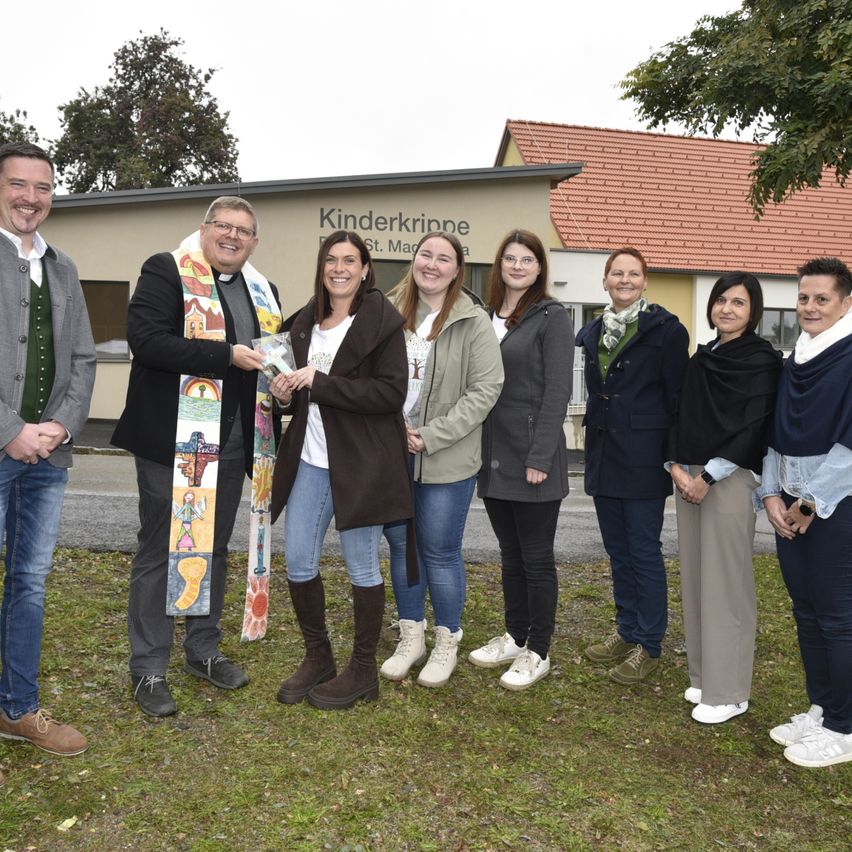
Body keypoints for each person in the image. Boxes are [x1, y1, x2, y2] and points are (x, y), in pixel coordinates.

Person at [112, 196, 281, 717]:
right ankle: (148, 669)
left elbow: (268, 360)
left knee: (212, 550)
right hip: (174, 441)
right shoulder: (167, 270)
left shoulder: (264, 290)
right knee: (163, 549)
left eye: (243, 231)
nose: (232, 236)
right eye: (223, 226)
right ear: (204, 228)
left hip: (233, 444)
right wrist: (223, 354)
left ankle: (202, 651)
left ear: (253, 241)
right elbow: (147, 342)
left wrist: (283, 385)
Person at [269, 230, 412, 710]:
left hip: (361, 464)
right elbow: (290, 384)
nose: (339, 268)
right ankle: (319, 657)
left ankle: (363, 670)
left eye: (350, 260)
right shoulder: (305, 320)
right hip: (310, 459)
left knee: (362, 565)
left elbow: (390, 395)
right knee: (298, 559)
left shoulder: (383, 322)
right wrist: (285, 393)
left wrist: (322, 382)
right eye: (331, 259)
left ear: (366, 269)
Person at [0, 142, 96, 759]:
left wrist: (59, 426)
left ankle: (17, 709)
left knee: (29, 583)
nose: (30, 197)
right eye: (18, 184)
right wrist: (9, 428)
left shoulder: (62, 268)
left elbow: (83, 360)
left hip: (49, 458)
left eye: (42, 187)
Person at [379, 232, 503, 688]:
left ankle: (447, 638)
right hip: (392, 454)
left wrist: (431, 436)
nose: (432, 264)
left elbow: (484, 391)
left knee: (439, 550)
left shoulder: (473, 322)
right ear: (414, 262)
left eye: (443, 258)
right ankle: (411, 634)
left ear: (457, 270)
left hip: (447, 457)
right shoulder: (388, 312)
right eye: (425, 255)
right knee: (402, 546)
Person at [669, 273, 781, 724]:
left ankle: (731, 690)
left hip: (728, 479)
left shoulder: (761, 360)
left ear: (753, 311)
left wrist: (710, 475)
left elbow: (754, 424)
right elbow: (680, 414)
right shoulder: (702, 357)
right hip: (689, 478)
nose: (727, 309)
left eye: (739, 302)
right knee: (696, 579)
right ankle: (703, 677)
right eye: (721, 300)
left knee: (726, 586)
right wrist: (676, 467)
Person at [576, 247, 688, 684]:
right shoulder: (591, 332)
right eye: (616, 273)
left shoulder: (666, 330)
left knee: (643, 551)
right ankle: (627, 630)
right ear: (605, 281)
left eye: (634, 274)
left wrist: (674, 457)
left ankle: (650, 643)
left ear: (645, 282)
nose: (625, 279)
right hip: (604, 456)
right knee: (617, 551)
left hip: (644, 459)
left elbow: (678, 400)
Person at [757, 256, 852, 768]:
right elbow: (776, 433)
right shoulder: (796, 357)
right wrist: (771, 495)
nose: (810, 307)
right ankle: (822, 708)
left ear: (846, 302)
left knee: (839, 618)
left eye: (822, 299)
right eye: (803, 298)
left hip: (838, 505)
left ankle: (846, 727)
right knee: (807, 613)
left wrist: (810, 502)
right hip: (788, 502)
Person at [470, 230, 573, 690]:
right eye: (509, 258)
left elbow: (557, 391)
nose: (517, 265)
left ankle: (540, 650)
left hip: (532, 456)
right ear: (499, 265)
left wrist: (541, 457)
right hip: (491, 455)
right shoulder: (486, 317)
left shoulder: (552, 316)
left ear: (539, 268)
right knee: (509, 556)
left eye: (527, 259)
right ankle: (515, 635)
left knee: (536, 559)